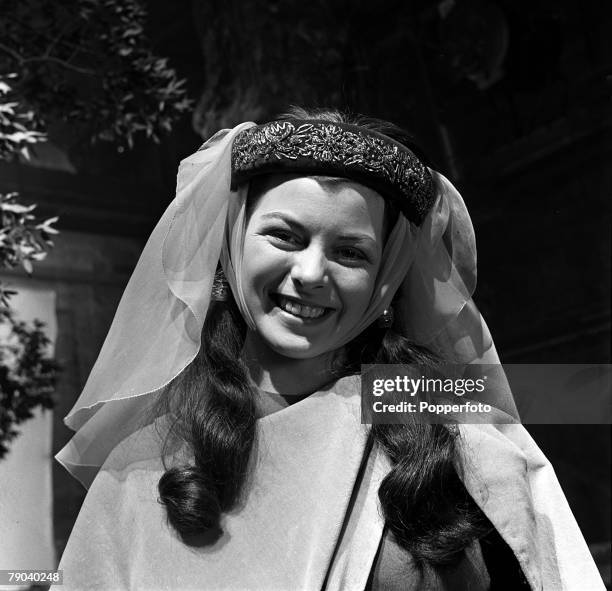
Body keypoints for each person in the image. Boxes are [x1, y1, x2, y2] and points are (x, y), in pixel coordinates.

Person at [54, 108, 604, 590]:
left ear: (386, 280)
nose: (311, 273)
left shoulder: (436, 406)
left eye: (350, 252)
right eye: (284, 237)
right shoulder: (147, 462)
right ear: (230, 247)